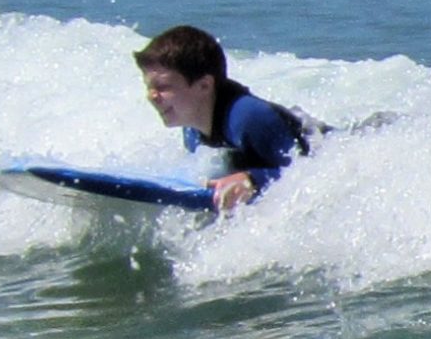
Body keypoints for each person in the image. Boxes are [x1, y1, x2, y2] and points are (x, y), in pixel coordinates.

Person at [133, 25, 316, 213]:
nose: (151, 96)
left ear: (204, 85)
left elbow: (309, 172)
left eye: (162, 87)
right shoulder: (192, 125)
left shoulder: (250, 118)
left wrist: (252, 180)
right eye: (149, 87)